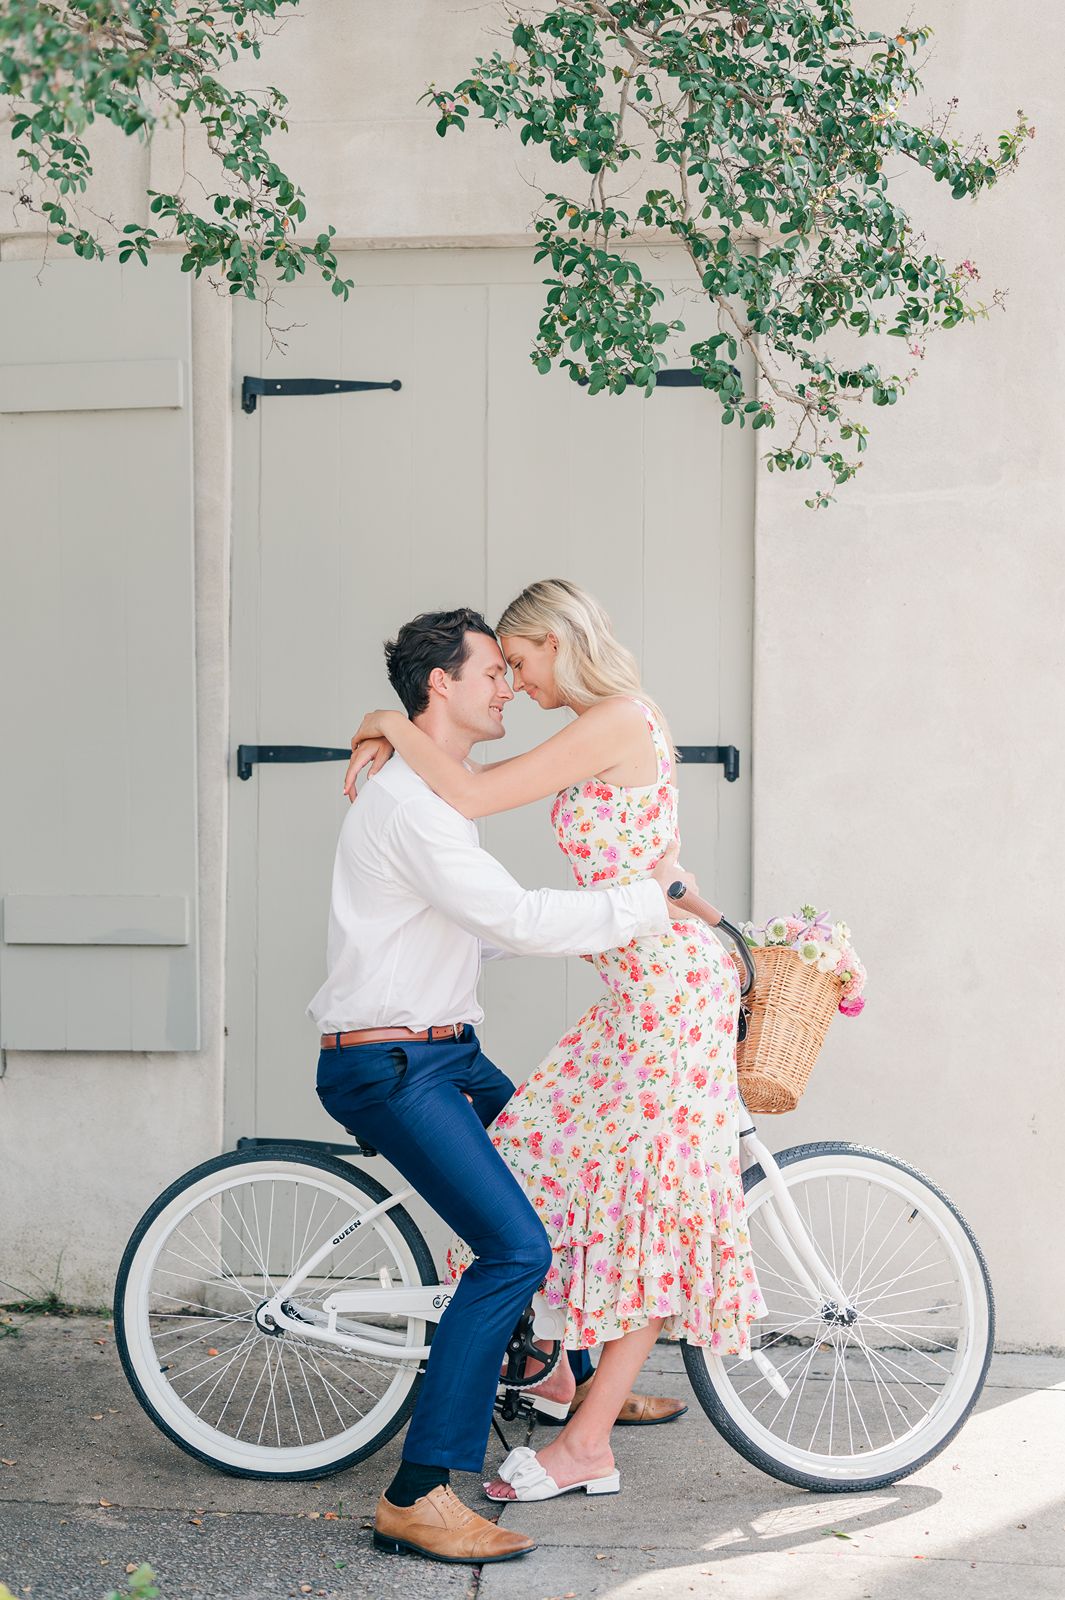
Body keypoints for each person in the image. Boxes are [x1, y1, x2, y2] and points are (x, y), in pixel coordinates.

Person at [345, 579, 765, 1505]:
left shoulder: (615, 719)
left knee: (650, 1208)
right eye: (497, 669)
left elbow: (468, 789)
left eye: (519, 661)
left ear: (553, 641)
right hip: (642, 991)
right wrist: (724, 931)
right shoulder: (609, 724)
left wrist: (384, 720)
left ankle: (585, 1441)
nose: (515, 682)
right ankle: (550, 1369)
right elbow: (659, 869)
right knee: (536, 1160)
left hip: (663, 998)